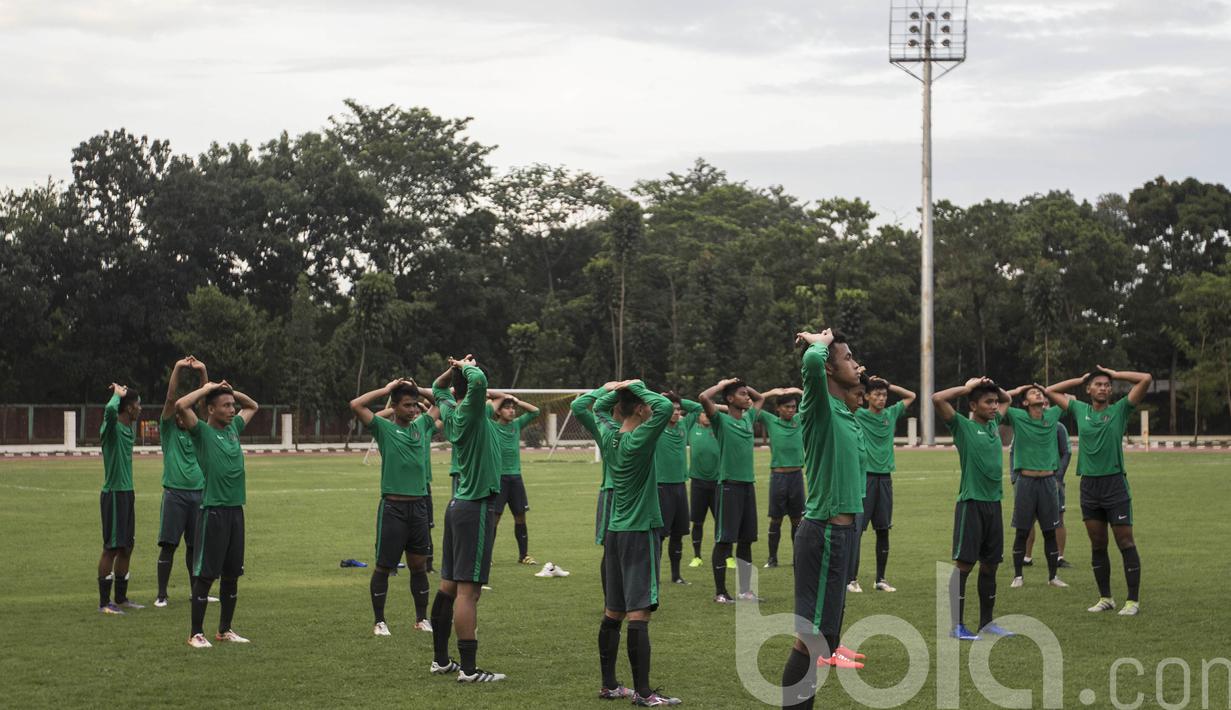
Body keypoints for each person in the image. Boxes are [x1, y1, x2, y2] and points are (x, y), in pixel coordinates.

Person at [781, 329, 867, 710]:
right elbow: (811, 364)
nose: (856, 363)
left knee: (824, 640)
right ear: (830, 368)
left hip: (843, 535)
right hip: (824, 532)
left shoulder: (844, 413)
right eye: (848, 358)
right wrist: (819, 341)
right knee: (811, 641)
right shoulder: (817, 405)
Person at [595, 380, 680, 706]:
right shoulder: (640, 437)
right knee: (638, 614)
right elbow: (664, 407)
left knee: (613, 611)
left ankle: (610, 685)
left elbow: (585, 407)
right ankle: (644, 693)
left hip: (615, 532)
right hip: (639, 531)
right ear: (641, 407)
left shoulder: (609, 434)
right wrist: (636, 386)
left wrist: (608, 390)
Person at [1047, 365, 1152, 616]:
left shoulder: (1120, 410)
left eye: (1107, 385)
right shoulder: (1079, 409)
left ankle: (1132, 601)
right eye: (1098, 384)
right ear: (1089, 389)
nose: (1103, 388)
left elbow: (1145, 379)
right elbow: (1050, 390)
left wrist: (1115, 374)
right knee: (1098, 543)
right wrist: (1080, 377)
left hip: (1115, 484)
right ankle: (1105, 598)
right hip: (1089, 486)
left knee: (1125, 541)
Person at [428, 356, 506, 682]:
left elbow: (436, 387)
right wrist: (466, 365)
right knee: (467, 592)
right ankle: (470, 671)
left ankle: (442, 661)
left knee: (448, 587)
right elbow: (480, 383)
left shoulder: (450, 412)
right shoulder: (471, 411)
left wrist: (454, 370)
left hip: (459, 504)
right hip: (475, 507)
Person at [351, 378, 440, 636]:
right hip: (393, 508)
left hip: (419, 508)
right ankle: (380, 621)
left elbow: (441, 402)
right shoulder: (383, 428)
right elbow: (356, 404)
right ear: (395, 406)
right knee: (384, 566)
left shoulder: (422, 426)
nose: (413, 410)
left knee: (418, 566)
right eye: (407, 405)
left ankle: (421, 619)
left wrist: (419, 390)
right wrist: (388, 389)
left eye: (415, 405)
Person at [176, 380, 260, 648]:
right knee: (205, 575)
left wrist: (230, 391)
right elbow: (180, 405)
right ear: (210, 410)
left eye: (232, 405)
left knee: (232, 573)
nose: (232, 409)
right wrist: (208, 388)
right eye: (225, 406)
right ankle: (196, 633)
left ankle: (225, 630)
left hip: (236, 510)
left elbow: (253, 405)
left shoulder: (234, 428)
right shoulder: (201, 432)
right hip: (213, 511)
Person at [933, 377, 1014, 642]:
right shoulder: (963, 427)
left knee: (990, 566)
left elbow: (1008, 399)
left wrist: (992, 386)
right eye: (988, 402)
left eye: (994, 402)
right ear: (973, 405)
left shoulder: (994, 425)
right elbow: (937, 399)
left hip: (994, 505)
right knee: (964, 565)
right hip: (971, 504)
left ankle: (987, 623)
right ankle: (956, 626)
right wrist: (969, 387)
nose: (994, 406)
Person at [699, 378, 765, 603]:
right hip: (729, 486)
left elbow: (761, 398)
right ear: (729, 399)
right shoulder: (720, 421)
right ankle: (720, 592)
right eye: (741, 394)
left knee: (746, 540)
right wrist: (724, 384)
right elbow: (703, 398)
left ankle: (745, 591)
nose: (747, 397)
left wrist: (744, 385)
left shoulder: (748, 418)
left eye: (746, 394)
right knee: (725, 540)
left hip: (748, 486)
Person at [850, 377, 915, 593]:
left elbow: (911, 396)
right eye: (876, 394)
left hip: (885, 479)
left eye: (884, 395)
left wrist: (888, 384)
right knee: (857, 530)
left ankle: (881, 579)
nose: (881, 398)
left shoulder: (890, 414)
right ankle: (851, 579)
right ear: (867, 396)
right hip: (865, 478)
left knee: (883, 530)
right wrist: (864, 384)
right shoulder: (859, 415)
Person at [155, 357, 209, 608]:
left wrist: (203, 374)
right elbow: (170, 398)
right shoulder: (168, 431)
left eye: (183, 412)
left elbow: (205, 403)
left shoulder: (197, 432)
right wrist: (177, 367)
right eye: (178, 412)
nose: (180, 415)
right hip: (175, 494)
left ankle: (196, 592)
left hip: (198, 494)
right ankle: (162, 595)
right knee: (168, 545)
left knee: (195, 548)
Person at [1003, 384, 1068, 589]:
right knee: (1022, 531)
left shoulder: (1052, 416)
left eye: (1039, 392)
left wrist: (1046, 391)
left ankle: (1053, 577)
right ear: (1025, 402)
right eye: (1033, 393)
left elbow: (1067, 398)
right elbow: (1001, 400)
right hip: (1026, 482)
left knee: (1050, 530)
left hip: (1049, 482)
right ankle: (1018, 576)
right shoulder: (1017, 416)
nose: (1038, 393)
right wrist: (1016, 390)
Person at [571, 384, 622, 592]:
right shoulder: (603, 428)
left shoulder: (645, 427)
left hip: (639, 496)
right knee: (611, 550)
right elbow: (578, 406)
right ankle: (611, 601)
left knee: (637, 549)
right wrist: (604, 389)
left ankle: (635, 598)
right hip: (612, 493)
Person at [98, 382, 143, 615]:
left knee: (127, 547)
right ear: (128, 408)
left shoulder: (128, 429)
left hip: (127, 493)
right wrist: (117, 395)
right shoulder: (112, 428)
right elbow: (109, 412)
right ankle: (105, 603)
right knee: (112, 548)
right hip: (114, 493)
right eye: (137, 405)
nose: (140, 409)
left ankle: (121, 598)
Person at [652, 392, 702, 585]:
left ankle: (676, 575)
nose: (675, 412)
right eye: (671, 409)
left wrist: (678, 400)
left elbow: (698, 408)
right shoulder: (655, 427)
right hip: (661, 487)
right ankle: (653, 576)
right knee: (660, 536)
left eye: (678, 409)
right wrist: (660, 399)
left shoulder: (683, 425)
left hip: (680, 487)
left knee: (679, 533)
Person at [485, 391, 541, 565]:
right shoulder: (491, 426)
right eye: (507, 408)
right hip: (498, 478)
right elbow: (483, 411)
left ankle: (523, 555)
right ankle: (487, 557)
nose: (512, 411)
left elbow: (535, 412)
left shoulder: (516, 425)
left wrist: (517, 400)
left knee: (520, 516)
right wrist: (495, 399)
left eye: (512, 408)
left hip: (515, 478)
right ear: (498, 412)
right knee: (495, 518)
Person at [755, 388, 805, 569]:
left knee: (797, 520)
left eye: (793, 407)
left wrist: (799, 391)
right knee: (776, 519)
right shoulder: (770, 420)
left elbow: (816, 400)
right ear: (778, 408)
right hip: (779, 477)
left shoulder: (799, 420)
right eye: (787, 407)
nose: (791, 410)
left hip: (796, 476)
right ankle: (772, 558)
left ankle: (797, 557)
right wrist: (769, 393)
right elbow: (752, 409)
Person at [1015, 422, 1072, 568]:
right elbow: (1013, 451)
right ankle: (1026, 557)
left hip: (1052, 481)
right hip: (1028, 482)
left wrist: (1058, 476)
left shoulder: (1058, 427)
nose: (1042, 407)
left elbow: (1066, 452)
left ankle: (1059, 557)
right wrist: (1014, 477)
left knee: (1058, 518)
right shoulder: (1024, 425)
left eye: (1046, 403)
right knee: (1027, 520)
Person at [686, 407, 722, 569]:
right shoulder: (691, 428)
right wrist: (701, 404)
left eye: (709, 413)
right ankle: (697, 556)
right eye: (703, 413)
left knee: (721, 522)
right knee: (697, 522)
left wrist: (714, 408)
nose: (707, 416)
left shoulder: (719, 428)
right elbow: (688, 405)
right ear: (698, 415)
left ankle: (726, 556)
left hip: (717, 483)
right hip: (698, 483)